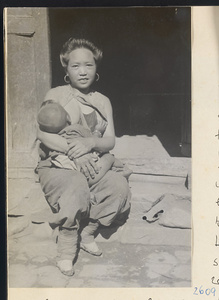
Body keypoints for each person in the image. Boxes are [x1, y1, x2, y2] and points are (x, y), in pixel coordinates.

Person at [36, 38, 131, 276]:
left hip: (93, 164)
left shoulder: (103, 100)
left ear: (96, 67)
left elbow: (110, 140)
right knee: (76, 185)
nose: (83, 71)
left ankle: (88, 232)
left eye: (88, 65)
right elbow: (42, 134)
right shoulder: (56, 95)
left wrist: (90, 143)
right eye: (76, 66)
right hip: (60, 166)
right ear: (66, 68)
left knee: (118, 185)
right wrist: (73, 151)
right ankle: (67, 249)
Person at [37, 100, 121, 186]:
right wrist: (97, 131)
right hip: (90, 173)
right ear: (68, 118)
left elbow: (42, 154)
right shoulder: (76, 129)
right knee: (108, 157)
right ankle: (119, 167)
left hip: (64, 169)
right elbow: (91, 140)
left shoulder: (49, 141)